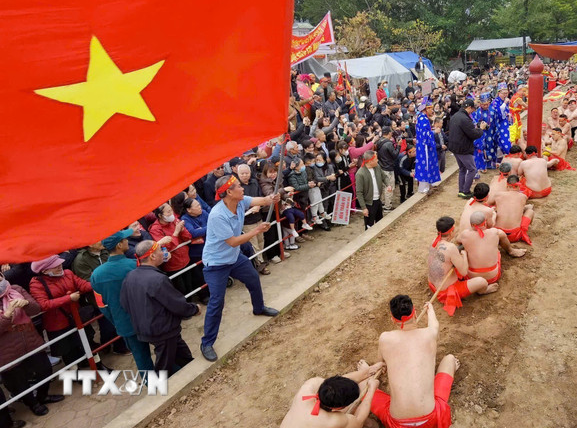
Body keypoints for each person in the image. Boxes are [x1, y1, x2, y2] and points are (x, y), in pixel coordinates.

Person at [199, 175, 281, 362]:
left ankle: (258, 308)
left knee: (253, 278)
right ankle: (207, 343)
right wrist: (257, 230)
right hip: (216, 264)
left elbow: (260, 200)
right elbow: (233, 241)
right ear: (229, 192)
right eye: (238, 186)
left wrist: (271, 198)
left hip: (234, 257)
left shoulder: (240, 201)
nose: (243, 188)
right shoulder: (217, 215)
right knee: (216, 301)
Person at [370, 295, 458, 428]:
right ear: (415, 313)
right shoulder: (430, 334)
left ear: (392, 319)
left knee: (362, 386)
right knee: (449, 359)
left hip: (397, 423)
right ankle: (452, 366)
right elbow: (434, 325)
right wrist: (430, 310)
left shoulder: (385, 338)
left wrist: (369, 370)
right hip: (431, 418)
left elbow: (381, 365)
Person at [120, 241, 200, 375]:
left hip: (147, 328)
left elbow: (124, 303)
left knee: (182, 355)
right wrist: (194, 309)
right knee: (164, 365)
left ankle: (193, 372)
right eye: (160, 251)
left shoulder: (130, 276)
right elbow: (176, 304)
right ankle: (161, 386)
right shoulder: (158, 279)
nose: (163, 253)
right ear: (152, 256)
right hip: (162, 330)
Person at [1, 266, 64, 418]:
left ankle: (42, 395)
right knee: (19, 381)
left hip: (30, 339)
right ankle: (33, 404)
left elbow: (36, 309)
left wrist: (26, 304)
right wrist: (7, 315)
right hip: (6, 350)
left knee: (45, 369)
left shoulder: (16, 289)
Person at [90, 230, 155, 372]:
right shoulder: (135, 264)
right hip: (149, 318)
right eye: (125, 239)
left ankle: (151, 382)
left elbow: (102, 306)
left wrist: (117, 320)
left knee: (141, 358)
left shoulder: (96, 275)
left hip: (124, 323)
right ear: (119, 245)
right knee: (165, 348)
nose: (127, 241)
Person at [28, 255, 103, 369]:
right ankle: (75, 373)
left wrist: (97, 282)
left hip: (76, 317)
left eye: (59, 264)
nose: (60, 266)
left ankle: (99, 366)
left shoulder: (68, 273)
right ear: (44, 271)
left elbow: (82, 285)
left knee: (88, 342)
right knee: (68, 351)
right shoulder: (37, 283)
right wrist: (68, 298)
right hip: (57, 324)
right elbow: (43, 304)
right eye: (55, 266)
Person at [428, 217, 498, 317]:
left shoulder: (434, 241)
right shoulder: (451, 248)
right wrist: (464, 255)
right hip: (445, 291)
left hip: (432, 284)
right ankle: (483, 291)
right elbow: (464, 272)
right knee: (482, 281)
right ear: (451, 232)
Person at [279, 363, 383, 428]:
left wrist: (368, 371)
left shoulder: (310, 386)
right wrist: (371, 389)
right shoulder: (333, 421)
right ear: (338, 408)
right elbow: (358, 421)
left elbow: (338, 383)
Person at [460, 212, 527, 285]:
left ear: (471, 224)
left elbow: (458, 240)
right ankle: (511, 250)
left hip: (471, 278)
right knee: (496, 250)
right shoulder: (495, 232)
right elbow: (501, 234)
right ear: (485, 222)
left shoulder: (464, 234)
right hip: (492, 277)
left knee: (466, 251)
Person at [449, 99, 488, 199]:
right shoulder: (465, 119)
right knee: (472, 169)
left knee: (462, 169)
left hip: (454, 147)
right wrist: (481, 129)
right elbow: (473, 134)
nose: (473, 112)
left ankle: (461, 191)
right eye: (473, 109)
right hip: (463, 148)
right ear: (469, 107)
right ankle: (466, 191)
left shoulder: (455, 116)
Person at [493, 175, 535, 245]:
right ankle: (523, 231)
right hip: (515, 235)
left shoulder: (498, 195)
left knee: (493, 211)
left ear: (507, 186)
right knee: (530, 211)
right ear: (519, 186)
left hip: (499, 234)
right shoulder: (523, 197)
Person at [355, 151, 391, 230]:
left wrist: (388, 184)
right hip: (369, 204)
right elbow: (359, 192)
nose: (377, 160)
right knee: (369, 226)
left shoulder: (377, 167)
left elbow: (384, 177)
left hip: (378, 200)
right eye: (376, 159)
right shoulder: (360, 174)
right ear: (370, 161)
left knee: (380, 222)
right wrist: (364, 207)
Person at [415, 99, 441, 194]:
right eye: (431, 109)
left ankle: (429, 184)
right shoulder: (422, 119)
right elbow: (424, 134)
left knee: (428, 164)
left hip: (425, 145)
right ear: (426, 109)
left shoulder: (424, 118)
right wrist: (434, 132)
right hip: (424, 146)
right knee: (425, 165)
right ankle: (424, 188)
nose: (432, 111)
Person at [376, 128, 398, 211]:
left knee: (382, 186)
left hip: (381, 166)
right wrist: (398, 146)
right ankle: (387, 205)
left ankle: (382, 202)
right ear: (388, 133)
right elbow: (395, 155)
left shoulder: (379, 141)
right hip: (388, 167)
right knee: (389, 186)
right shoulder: (388, 143)